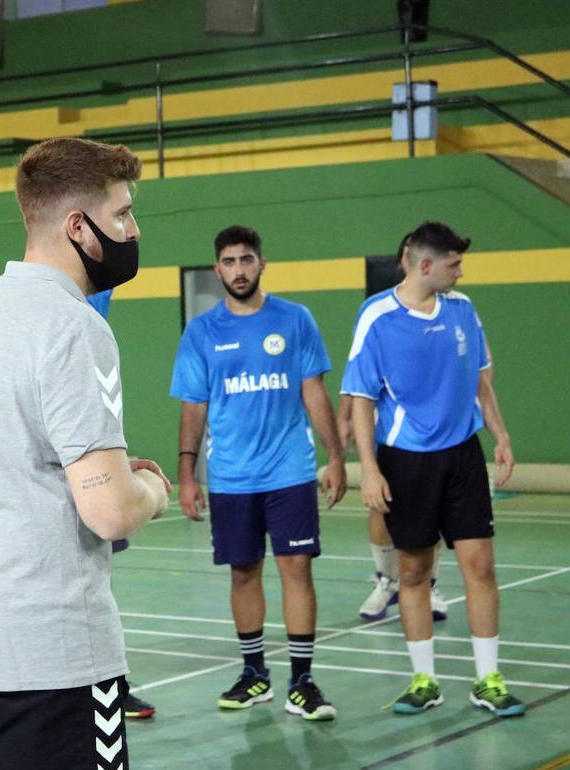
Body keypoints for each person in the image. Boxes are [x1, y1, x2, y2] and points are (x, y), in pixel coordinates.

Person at [0, 137, 170, 770]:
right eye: (121, 215)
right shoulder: (74, 325)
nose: (133, 230)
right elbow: (111, 512)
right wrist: (150, 491)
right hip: (56, 650)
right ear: (77, 227)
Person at [342, 221, 524, 717]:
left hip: (462, 456)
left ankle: (488, 679)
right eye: (453, 264)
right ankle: (424, 680)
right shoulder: (376, 316)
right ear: (426, 265)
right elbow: (360, 398)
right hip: (405, 461)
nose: (460, 272)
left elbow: (482, 379)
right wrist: (371, 470)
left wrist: (500, 435)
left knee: (480, 567)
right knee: (414, 571)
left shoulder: (463, 311)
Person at [171, 224, 345, 721]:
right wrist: (187, 475)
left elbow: (314, 392)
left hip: (289, 470)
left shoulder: (295, 319)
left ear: (261, 263)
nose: (238, 270)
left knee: (297, 568)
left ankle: (303, 681)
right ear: (217, 269)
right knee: (243, 573)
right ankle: (254, 674)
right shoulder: (201, 332)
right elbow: (193, 408)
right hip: (230, 477)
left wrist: (334, 457)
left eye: (247, 260)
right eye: (228, 262)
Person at [336, 237, 448, 623]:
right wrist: (345, 420)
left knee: (431, 514)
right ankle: (385, 581)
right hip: (388, 435)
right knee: (380, 507)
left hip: (438, 438)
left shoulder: (448, 312)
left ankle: (429, 585)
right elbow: (356, 375)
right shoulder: (376, 314)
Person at [89, 288, 157, 721]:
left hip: (91, 469)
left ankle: (110, 688)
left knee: (99, 589)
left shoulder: (94, 312)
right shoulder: (67, 309)